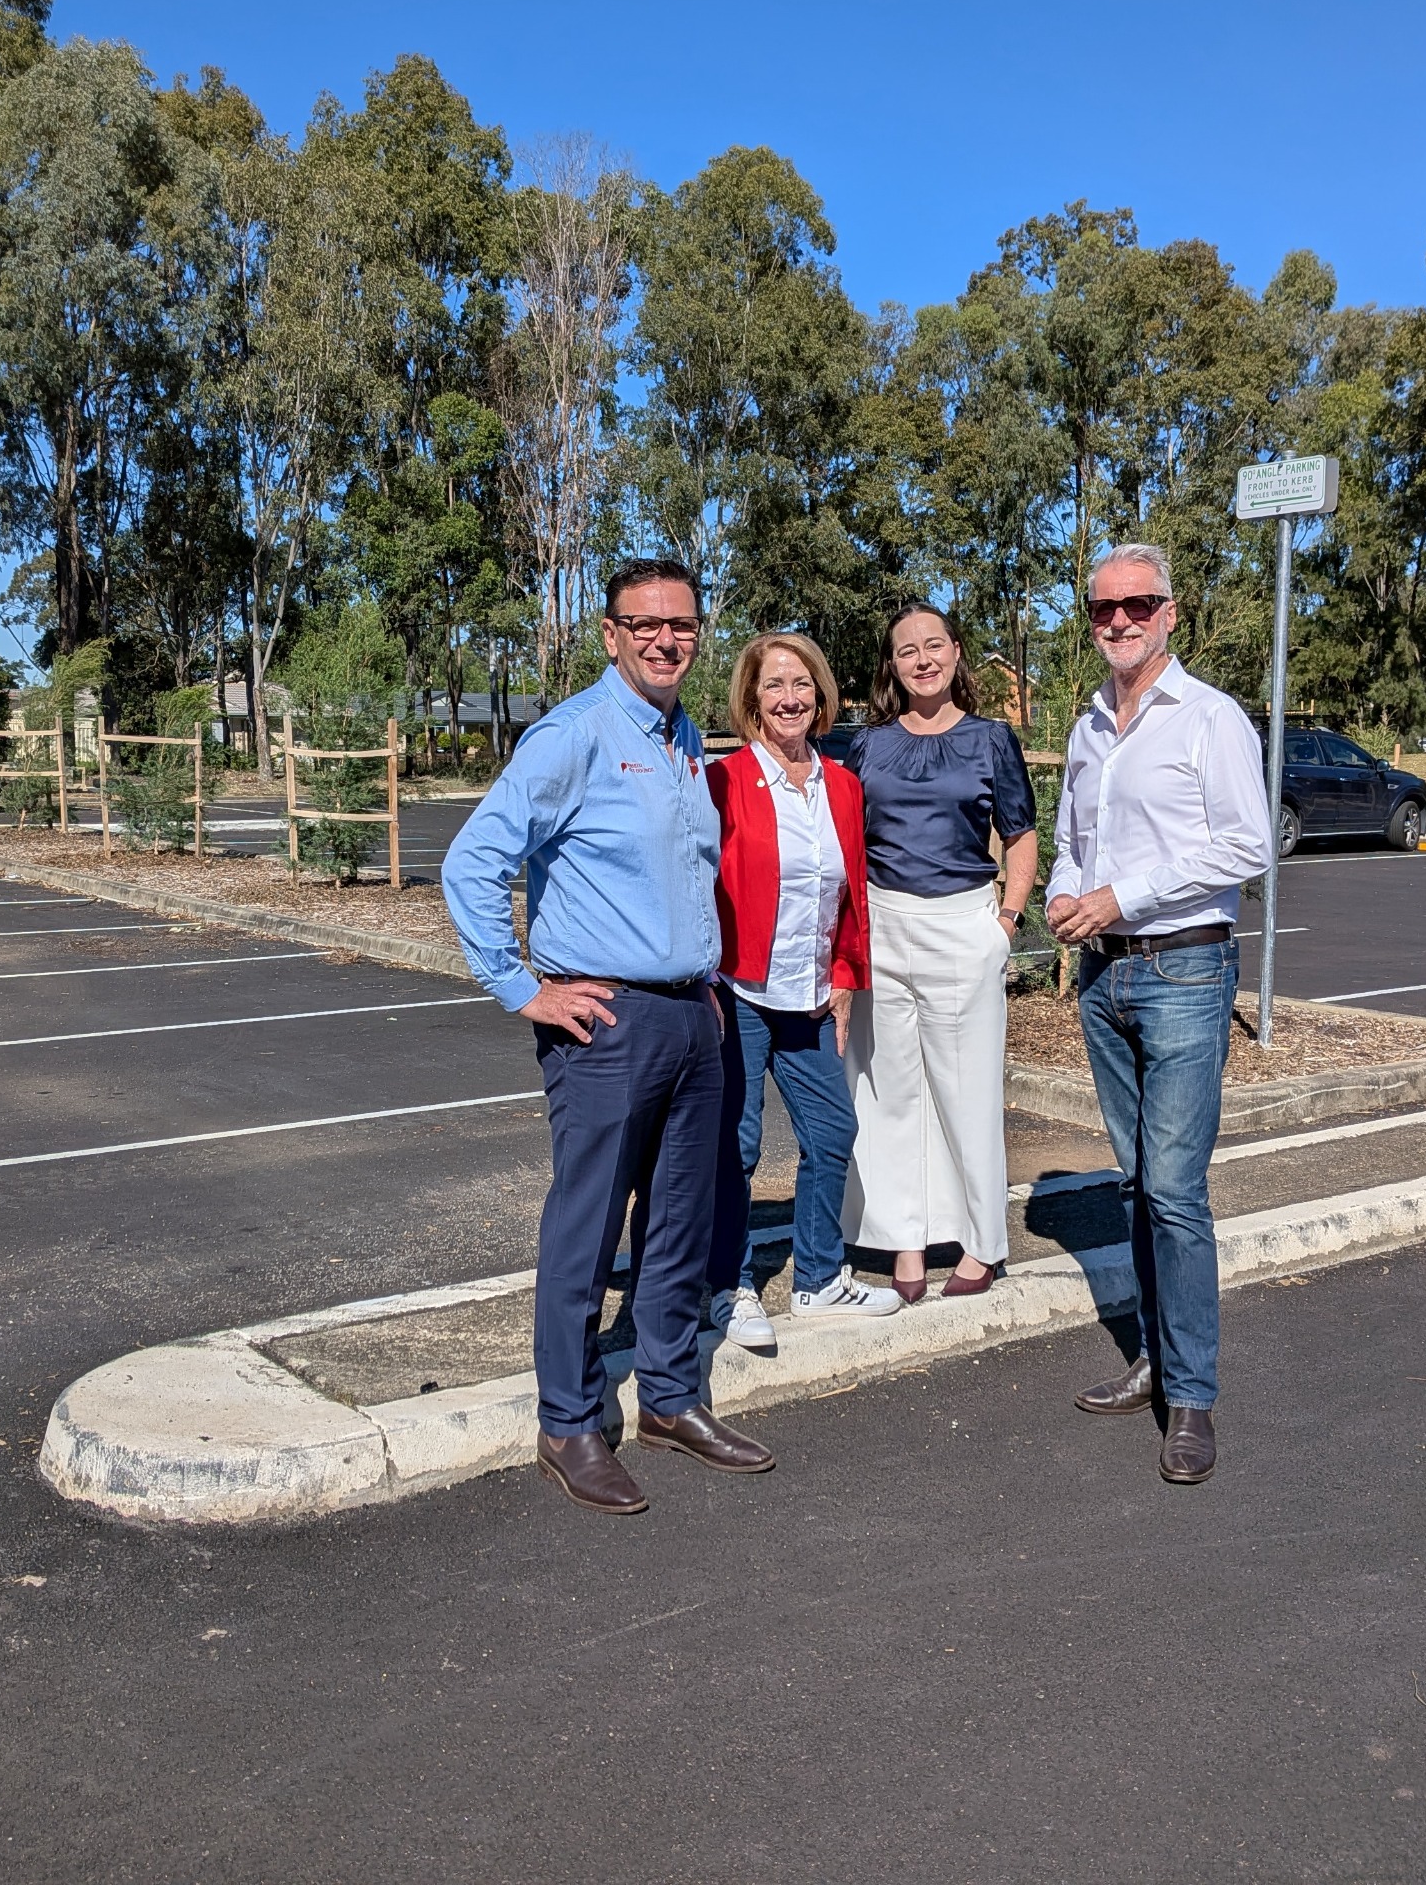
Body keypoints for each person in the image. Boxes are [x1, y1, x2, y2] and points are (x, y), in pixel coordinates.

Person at [440, 556, 775, 1516]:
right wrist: (519, 988)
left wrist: (703, 984)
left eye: (682, 625)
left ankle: (670, 1398)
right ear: (611, 633)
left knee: (679, 1224)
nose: (666, 640)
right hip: (605, 1022)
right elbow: (474, 865)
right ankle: (568, 1422)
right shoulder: (576, 737)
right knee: (586, 1229)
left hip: (688, 1015)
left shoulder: (681, 741)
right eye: (645, 625)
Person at [1044, 543, 1271, 1486]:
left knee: (1177, 1192)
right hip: (1105, 978)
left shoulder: (1210, 719)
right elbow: (1069, 841)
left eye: (1138, 604)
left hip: (1183, 973)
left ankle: (1193, 1398)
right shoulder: (1092, 724)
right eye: (1104, 609)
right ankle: (1153, 1359)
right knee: (1138, 1184)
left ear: (1171, 612)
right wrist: (1066, 897)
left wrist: (1122, 897)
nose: (1121, 621)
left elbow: (1248, 847)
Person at [705, 633, 900, 1354]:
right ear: (752, 701)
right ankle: (727, 1284)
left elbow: (853, 893)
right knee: (737, 1145)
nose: (790, 698)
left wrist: (847, 977)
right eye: (774, 685)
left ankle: (818, 1280)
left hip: (812, 994)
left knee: (832, 1135)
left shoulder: (842, 786)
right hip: (740, 988)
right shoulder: (722, 781)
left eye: (802, 685)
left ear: (821, 697)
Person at [844, 604, 1039, 1304]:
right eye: (906, 650)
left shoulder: (991, 740)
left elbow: (1019, 836)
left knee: (967, 1090)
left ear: (956, 653)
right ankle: (905, 1241)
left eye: (934, 645)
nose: (921, 659)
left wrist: (1006, 921)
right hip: (884, 926)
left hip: (964, 926)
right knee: (889, 1092)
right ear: (891, 666)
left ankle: (982, 1244)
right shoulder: (867, 746)